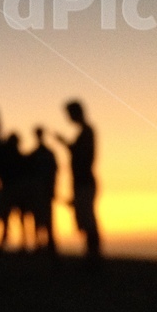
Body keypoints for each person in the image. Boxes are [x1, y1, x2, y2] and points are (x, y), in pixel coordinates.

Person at [55, 101, 100, 264]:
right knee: (87, 219)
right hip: (82, 182)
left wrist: (65, 144)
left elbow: (83, 156)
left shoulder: (87, 132)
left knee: (88, 219)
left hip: (84, 182)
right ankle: (91, 257)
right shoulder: (86, 132)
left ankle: (93, 258)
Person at [27, 126, 58, 256]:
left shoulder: (41, 154)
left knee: (45, 219)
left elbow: (54, 171)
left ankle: (48, 245)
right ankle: (43, 244)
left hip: (42, 189)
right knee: (41, 218)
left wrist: (51, 188)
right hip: (38, 190)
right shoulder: (41, 154)